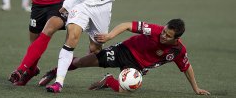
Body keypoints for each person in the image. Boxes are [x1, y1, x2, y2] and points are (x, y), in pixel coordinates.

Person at [42, 19, 210, 95]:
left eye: (168, 36)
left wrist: (195, 88)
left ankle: (108, 80)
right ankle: (56, 72)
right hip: (124, 51)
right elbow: (126, 25)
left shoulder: (178, 51)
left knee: (124, 90)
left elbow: (186, 67)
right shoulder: (154, 30)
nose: (163, 36)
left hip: (136, 68)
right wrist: (109, 37)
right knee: (80, 62)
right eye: (164, 31)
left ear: (176, 38)